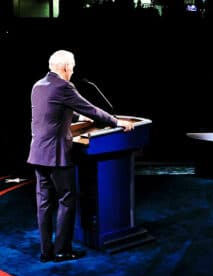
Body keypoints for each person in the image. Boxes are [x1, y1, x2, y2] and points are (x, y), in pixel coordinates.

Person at [27, 50, 134, 263]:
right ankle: (62, 251)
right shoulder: (64, 86)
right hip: (56, 154)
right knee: (67, 200)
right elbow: (92, 109)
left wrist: (77, 115)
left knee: (44, 204)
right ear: (66, 67)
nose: (73, 71)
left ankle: (46, 251)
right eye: (72, 67)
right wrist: (116, 121)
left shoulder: (38, 86)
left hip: (37, 154)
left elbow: (51, 109)